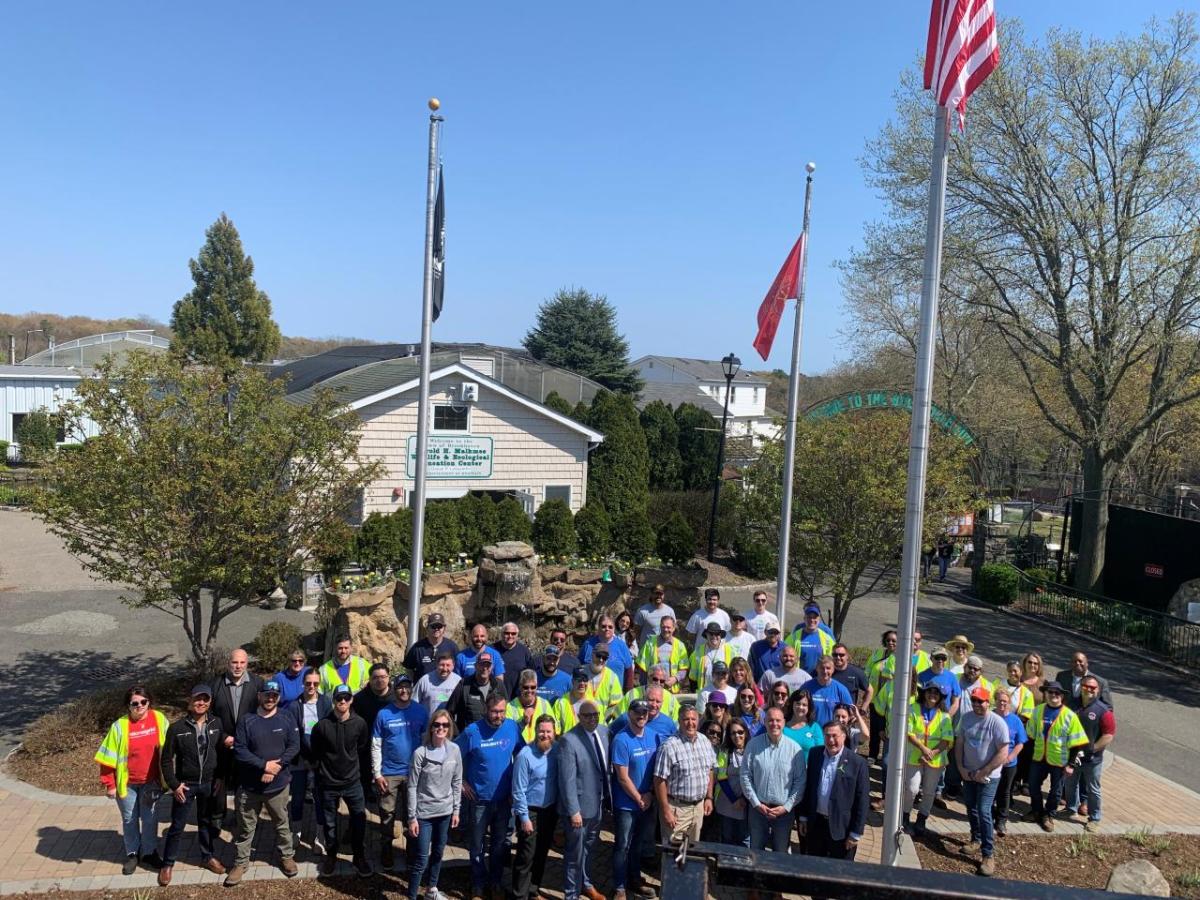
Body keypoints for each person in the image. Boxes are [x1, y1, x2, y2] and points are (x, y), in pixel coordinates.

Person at [227, 679, 299, 885]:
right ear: (259, 696)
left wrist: (275, 768)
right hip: (250, 787)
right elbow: (240, 750)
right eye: (267, 695)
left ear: (279, 698)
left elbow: (294, 746)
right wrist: (263, 765)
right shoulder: (246, 720)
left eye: (274, 696)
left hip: (278, 786)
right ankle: (241, 863)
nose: (270, 698)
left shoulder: (286, 717)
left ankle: (287, 857)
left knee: (282, 824)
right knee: (245, 828)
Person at [96, 684, 168, 876]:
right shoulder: (119, 726)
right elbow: (107, 759)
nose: (139, 706)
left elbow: (170, 749)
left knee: (150, 818)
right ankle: (133, 853)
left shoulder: (159, 719)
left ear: (148, 702)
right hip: (127, 784)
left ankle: (149, 852)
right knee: (129, 819)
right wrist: (110, 785)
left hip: (151, 781)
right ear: (128, 706)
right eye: (134, 703)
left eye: (143, 702)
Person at [457, 693, 522, 900]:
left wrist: (517, 787)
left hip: (504, 800)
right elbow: (452, 755)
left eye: (502, 711)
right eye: (494, 711)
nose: (498, 716)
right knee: (477, 845)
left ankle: (495, 882)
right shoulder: (472, 732)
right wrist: (460, 782)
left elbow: (523, 755)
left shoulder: (512, 727)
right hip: (479, 801)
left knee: (499, 844)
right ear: (486, 709)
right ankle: (477, 883)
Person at [160, 685, 225, 884]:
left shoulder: (217, 723)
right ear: (190, 701)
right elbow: (166, 760)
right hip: (185, 786)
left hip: (209, 783)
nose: (201, 703)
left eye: (205, 699)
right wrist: (174, 785)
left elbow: (221, 753)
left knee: (205, 822)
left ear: (210, 702)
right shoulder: (177, 728)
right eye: (198, 699)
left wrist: (220, 777)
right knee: (177, 826)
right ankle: (168, 863)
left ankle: (207, 857)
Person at [311, 683, 373, 878]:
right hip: (329, 784)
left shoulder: (360, 724)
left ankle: (359, 856)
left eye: (346, 698)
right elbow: (316, 751)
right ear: (334, 701)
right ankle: (331, 855)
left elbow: (362, 749)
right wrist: (322, 773)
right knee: (330, 824)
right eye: (339, 698)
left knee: (359, 820)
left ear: (351, 700)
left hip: (353, 782)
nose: (343, 701)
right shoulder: (322, 726)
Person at [373, 673, 430, 872]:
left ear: (411, 688)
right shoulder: (384, 714)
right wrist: (377, 773)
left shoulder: (421, 712)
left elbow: (426, 742)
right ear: (394, 689)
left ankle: (411, 852)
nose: (403, 690)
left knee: (412, 813)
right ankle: (386, 849)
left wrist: (425, 769)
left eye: (407, 686)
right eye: (399, 687)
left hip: (414, 772)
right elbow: (376, 745)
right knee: (387, 813)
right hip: (389, 772)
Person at [407, 710, 463, 900]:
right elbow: (412, 786)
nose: (441, 728)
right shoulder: (420, 753)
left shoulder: (455, 750)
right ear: (431, 727)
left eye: (445, 725)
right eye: (437, 725)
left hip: (445, 812)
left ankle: (432, 889)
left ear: (450, 728)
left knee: (438, 853)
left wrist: (456, 810)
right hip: (424, 814)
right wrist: (412, 817)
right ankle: (412, 896)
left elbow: (457, 781)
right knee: (421, 859)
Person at [557, 699, 610, 900]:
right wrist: (573, 811)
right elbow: (566, 780)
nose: (592, 719)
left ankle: (586, 884)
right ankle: (571, 894)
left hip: (597, 805)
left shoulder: (604, 733)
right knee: (574, 854)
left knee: (589, 849)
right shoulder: (569, 740)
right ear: (579, 717)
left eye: (595, 714)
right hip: (578, 810)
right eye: (587, 715)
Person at [954, 686, 1009, 877]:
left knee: (984, 811)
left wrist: (984, 771)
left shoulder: (997, 723)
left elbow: (1004, 751)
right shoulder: (966, 718)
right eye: (974, 700)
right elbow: (959, 743)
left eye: (981, 701)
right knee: (970, 806)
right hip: (969, 774)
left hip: (988, 776)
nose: (977, 704)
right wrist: (961, 768)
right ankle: (975, 839)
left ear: (988, 703)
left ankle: (988, 854)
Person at [798, 721, 869, 862]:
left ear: (844, 736)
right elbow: (809, 788)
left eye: (835, 736)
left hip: (841, 829)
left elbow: (862, 800)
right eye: (827, 736)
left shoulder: (857, 763)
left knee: (840, 873)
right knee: (815, 866)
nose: (831, 740)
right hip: (816, 824)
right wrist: (804, 817)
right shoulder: (815, 754)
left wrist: (856, 833)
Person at [610, 698, 659, 900]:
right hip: (627, 804)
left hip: (647, 801)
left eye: (645, 712)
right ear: (629, 714)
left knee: (638, 843)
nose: (641, 716)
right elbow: (622, 777)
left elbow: (658, 770)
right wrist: (639, 797)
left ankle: (635, 879)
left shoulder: (655, 737)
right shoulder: (621, 740)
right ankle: (619, 886)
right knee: (622, 845)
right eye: (637, 712)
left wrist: (650, 794)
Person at [1026, 680, 1089, 831]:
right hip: (1039, 758)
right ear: (1046, 694)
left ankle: (1048, 815)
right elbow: (1030, 735)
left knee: (1056, 792)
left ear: (1062, 696)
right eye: (1050, 692)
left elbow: (1077, 742)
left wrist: (1071, 764)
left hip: (1059, 761)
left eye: (1057, 693)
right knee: (1033, 787)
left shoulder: (1070, 716)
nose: (1054, 695)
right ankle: (1036, 811)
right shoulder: (1038, 711)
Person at [211, 649, 264, 824]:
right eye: (235, 662)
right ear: (228, 663)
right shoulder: (216, 684)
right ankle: (218, 817)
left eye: (242, 662)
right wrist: (223, 736)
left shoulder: (258, 684)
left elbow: (262, 713)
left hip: (247, 743)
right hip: (223, 742)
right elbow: (210, 717)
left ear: (247, 663)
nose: (238, 666)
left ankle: (243, 817)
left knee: (245, 782)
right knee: (220, 781)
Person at [742, 707, 806, 852]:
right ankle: (757, 875)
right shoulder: (753, 745)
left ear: (784, 723)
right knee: (756, 851)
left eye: (778, 720)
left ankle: (777, 876)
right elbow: (745, 775)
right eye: (770, 720)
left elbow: (800, 782)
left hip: (784, 813)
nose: (774, 724)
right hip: (758, 810)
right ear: (764, 722)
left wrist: (786, 807)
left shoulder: (795, 749)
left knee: (780, 853)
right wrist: (756, 803)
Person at [653, 706, 717, 844]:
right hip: (677, 809)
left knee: (693, 852)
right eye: (686, 719)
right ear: (679, 721)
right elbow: (659, 780)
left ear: (698, 720)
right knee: (673, 854)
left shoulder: (705, 741)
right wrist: (665, 810)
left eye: (693, 719)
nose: (690, 723)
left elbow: (710, 770)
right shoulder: (669, 746)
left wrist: (709, 797)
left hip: (698, 808)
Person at [512, 715, 559, 900]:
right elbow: (518, 790)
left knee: (542, 852)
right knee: (526, 856)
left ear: (554, 733)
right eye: (541, 731)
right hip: (529, 811)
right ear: (535, 731)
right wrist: (524, 818)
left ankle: (533, 890)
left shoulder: (556, 750)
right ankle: (519, 895)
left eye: (548, 731)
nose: (545, 735)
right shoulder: (525, 755)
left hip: (549, 810)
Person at [286, 669, 331, 854]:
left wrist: (319, 758)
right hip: (299, 759)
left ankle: (319, 835)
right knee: (297, 797)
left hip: (319, 760)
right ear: (302, 684)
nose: (311, 687)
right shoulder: (294, 706)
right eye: (308, 683)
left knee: (319, 798)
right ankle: (296, 832)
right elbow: (292, 733)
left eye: (315, 684)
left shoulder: (325, 702)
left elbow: (329, 730)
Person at [1063, 674, 1115, 831]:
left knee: (1093, 789)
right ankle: (1071, 809)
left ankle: (1095, 818)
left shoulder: (1103, 711)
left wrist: (1093, 748)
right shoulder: (1071, 704)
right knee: (1070, 784)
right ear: (1081, 687)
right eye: (1086, 687)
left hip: (1092, 759)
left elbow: (1108, 735)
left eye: (1093, 688)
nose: (1089, 690)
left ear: (1098, 690)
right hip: (1072, 756)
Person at [902, 683, 954, 838]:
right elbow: (908, 732)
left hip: (935, 759)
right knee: (911, 789)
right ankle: (904, 817)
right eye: (930, 692)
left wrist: (931, 753)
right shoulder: (912, 709)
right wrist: (924, 749)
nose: (933, 695)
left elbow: (947, 739)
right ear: (923, 693)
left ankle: (921, 820)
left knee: (930, 792)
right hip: (914, 756)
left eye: (937, 693)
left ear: (941, 697)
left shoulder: (944, 716)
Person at [990, 687, 1027, 838]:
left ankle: (1001, 821)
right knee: (990, 792)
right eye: (999, 701)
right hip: (992, 762)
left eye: (1005, 701)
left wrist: (1010, 757)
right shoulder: (990, 716)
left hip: (1008, 764)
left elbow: (1020, 742)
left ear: (1009, 703)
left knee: (1005, 792)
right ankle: (989, 817)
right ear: (995, 701)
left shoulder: (1015, 720)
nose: (1002, 704)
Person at [446, 649, 507, 733]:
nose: (485, 668)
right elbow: (449, 713)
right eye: (481, 664)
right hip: (470, 738)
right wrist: (457, 734)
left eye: (488, 665)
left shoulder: (499, 685)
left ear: (492, 667)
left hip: (494, 737)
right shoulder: (464, 685)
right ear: (475, 666)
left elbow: (506, 710)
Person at [714, 720, 751, 847]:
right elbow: (721, 777)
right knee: (727, 838)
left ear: (746, 732)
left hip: (746, 803)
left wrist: (744, 799)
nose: (737, 736)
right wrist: (734, 800)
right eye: (733, 733)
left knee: (745, 840)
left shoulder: (753, 750)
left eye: (740, 732)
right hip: (727, 802)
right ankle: (726, 866)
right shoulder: (724, 752)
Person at [610, 683, 680, 745]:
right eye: (651, 700)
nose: (654, 705)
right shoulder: (626, 718)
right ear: (644, 698)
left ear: (662, 703)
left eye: (658, 702)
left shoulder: (668, 723)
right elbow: (608, 734)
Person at [581, 617, 636, 690]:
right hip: (590, 693)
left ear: (614, 629)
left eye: (610, 627)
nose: (607, 629)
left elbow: (629, 673)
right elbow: (579, 667)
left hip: (615, 695)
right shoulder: (588, 644)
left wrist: (628, 695)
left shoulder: (621, 646)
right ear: (598, 627)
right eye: (603, 626)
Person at [636, 615, 689, 691]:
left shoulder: (680, 645)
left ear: (673, 628)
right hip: (653, 688)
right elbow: (642, 667)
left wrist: (675, 679)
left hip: (671, 689)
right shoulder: (650, 643)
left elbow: (684, 669)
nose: (665, 629)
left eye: (668, 627)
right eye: (663, 627)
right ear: (660, 627)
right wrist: (644, 687)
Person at [403, 613, 459, 680]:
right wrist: (415, 684)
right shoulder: (417, 647)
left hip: (445, 688)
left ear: (444, 628)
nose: (436, 629)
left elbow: (458, 668)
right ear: (427, 628)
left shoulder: (452, 647)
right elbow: (409, 668)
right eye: (433, 626)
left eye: (439, 626)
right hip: (423, 689)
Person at [802, 656, 854, 726]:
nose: (825, 671)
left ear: (833, 669)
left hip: (833, 733)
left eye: (828, 668)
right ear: (817, 668)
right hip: (811, 731)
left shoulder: (841, 689)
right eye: (822, 668)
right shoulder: (806, 687)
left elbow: (850, 714)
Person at [507, 669, 556, 741]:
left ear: (536, 687)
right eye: (526, 687)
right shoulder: (510, 707)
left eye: (533, 687)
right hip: (518, 750)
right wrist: (523, 722)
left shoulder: (544, 704)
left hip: (540, 748)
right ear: (520, 687)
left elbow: (553, 729)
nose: (529, 691)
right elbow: (508, 734)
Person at [787, 604, 836, 672]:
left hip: (820, 678)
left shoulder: (827, 638)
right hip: (800, 678)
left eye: (814, 617)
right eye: (809, 617)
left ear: (819, 619)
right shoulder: (795, 636)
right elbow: (784, 652)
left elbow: (834, 657)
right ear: (804, 618)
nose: (812, 620)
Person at [583, 642, 625, 718]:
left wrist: (603, 719)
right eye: (598, 656)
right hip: (581, 721)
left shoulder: (612, 677)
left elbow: (616, 705)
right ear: (592, 654)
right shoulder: (580, 672)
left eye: (604, 657)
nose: (601, 660)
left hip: (601, 724)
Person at [690, 622, 736, 692]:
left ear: (720, 636)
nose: (714, 636)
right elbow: (693, 677)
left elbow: (735, 675)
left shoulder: (730, 651)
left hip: (724, 693)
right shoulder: (698, 652)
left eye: (717, 634)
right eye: (711, 634)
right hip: (704, 692)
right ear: (706, 635)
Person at [494, 622, 537, 695]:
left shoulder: (524, 651)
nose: (510, 636)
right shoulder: (493, 650)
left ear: (517, 635)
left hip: (518, 697)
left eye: (513, 633)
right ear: (502, 634)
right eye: (507, 633)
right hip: (496, 695)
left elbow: (531, 673)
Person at [414, 651, 462, 717]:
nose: (445, 669)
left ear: (453, 666)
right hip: (428, 724)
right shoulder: (425, 680)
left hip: (450, 725)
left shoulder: (458, 681)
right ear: (436, 665)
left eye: (448, 665)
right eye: (442, 665)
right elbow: (414, 702)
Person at [917, 647, 962, 716]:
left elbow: (956, 703)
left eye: (943, 658)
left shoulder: (952, 677)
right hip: (924, 718)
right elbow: (917, 699)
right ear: (931, 658)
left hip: (943, 719)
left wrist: (946, 718)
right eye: (937, 657)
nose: (940, 661)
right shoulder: (921, 676)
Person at [354, 663, 393, 733]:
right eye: (375, 677)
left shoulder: (397, 697)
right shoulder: (359, 699)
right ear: (370, 679)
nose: (379, 680)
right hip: (368, 740)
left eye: (383, 677)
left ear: (388, 677)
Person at [829, 643, 869, 708]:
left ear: (847, 656)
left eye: (841, 655)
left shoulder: (856, 672)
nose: (838, 657)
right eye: (835, 655)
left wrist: (863, 709)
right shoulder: (826, 672)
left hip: (848, 714)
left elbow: (870, 690)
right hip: (829, 712)